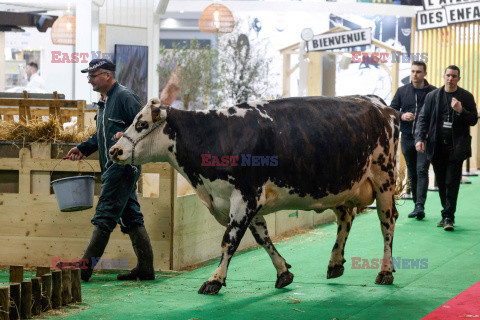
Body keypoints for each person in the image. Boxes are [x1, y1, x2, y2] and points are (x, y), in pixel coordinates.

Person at [64, 59, 155, 281]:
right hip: (111, 167)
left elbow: (147, 126)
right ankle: (145, 268)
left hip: (123, 167)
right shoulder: (104, 103)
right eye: (89, 76)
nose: (89, 80)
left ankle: (84, 268)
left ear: (106, 75)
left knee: (104, 214)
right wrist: (83, 149)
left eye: (93, 76)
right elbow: (100, 136)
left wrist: (125, 134)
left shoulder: (125, 97)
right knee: (131, 216)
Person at [415, 65, 478, 231]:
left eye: (454, 76)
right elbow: (423, 119)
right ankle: (446, 214)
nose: (451, 79)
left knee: (452, 182)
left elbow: (473, 120)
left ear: (459, 78)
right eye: (448, 75)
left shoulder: (466, 96)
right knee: (442, 182)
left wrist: (460, 110)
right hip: (436, 147)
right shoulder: (433, 96)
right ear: (444, 76)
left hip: (455, 147)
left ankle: (449, 216)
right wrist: (420, 138)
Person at [391, 61, 436, 220]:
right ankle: (417, 204)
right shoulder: (402, 91)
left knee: (422, 169)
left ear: (425, 73)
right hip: (407, 137)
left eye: (418, 72)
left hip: (426, 138)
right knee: (412, 170)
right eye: (413, 71)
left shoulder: (434, 92)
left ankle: (420, 206)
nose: (415, 74)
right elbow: (392, 109)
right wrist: (402, 115)